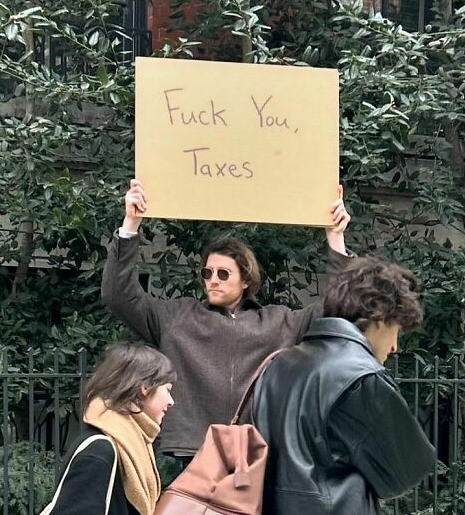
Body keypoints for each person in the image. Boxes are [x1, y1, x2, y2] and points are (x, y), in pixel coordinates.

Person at [101, 178, 351, 460]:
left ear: (245, 280)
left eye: (223, 274)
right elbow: (119, 296)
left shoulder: (278, 322)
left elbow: (336, 307)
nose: (213, 281)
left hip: (258, 455)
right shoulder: (177, 318)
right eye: (207, 274)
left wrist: (335, 238)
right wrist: (130, 225)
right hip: (192, 453)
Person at [252, 255, 436, 515]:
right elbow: (404, 471)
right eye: (396, 328)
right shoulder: (360, 377)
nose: (395, 346)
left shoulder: (278, 365)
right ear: (380, 316)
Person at [44, 343, 175, 515]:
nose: (171, 401)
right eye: (167, 390)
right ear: (145, 388)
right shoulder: (100, 450)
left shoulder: (130, 443)